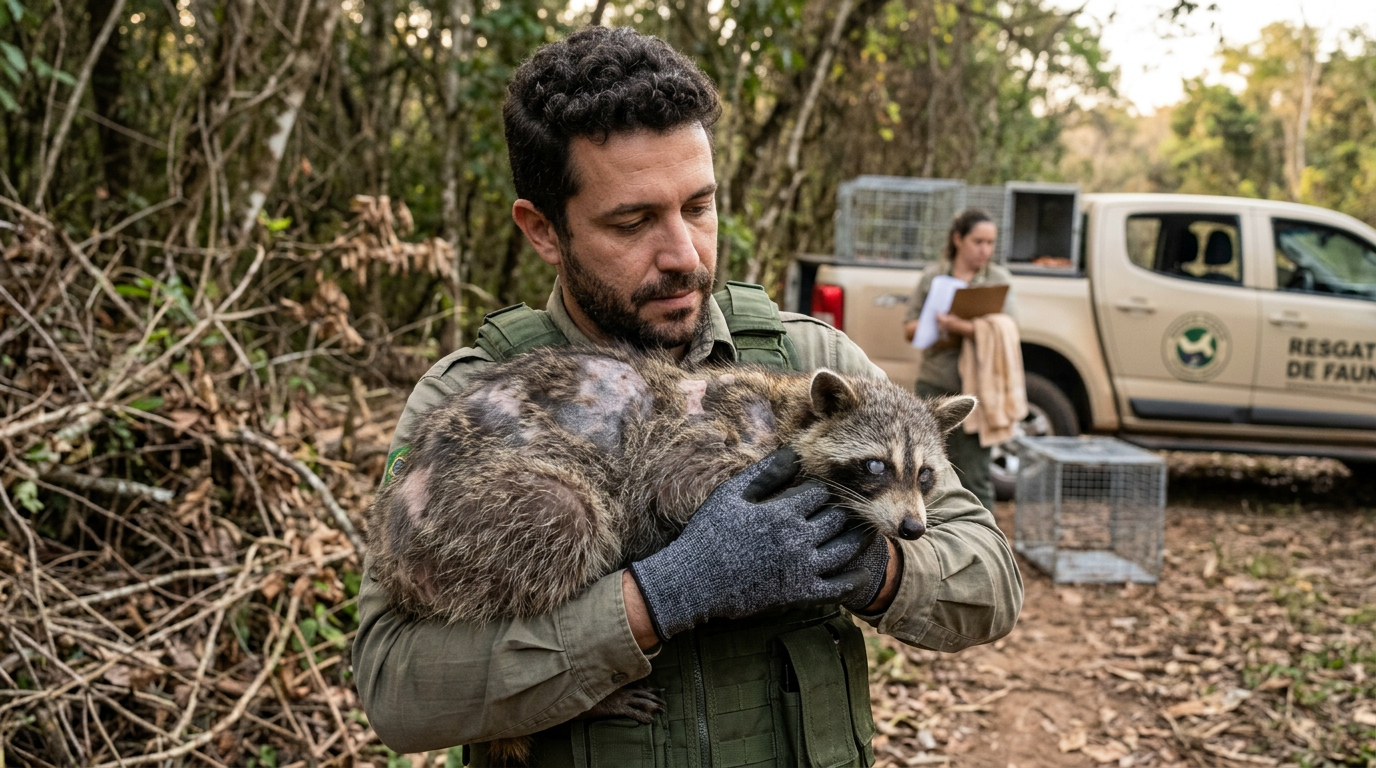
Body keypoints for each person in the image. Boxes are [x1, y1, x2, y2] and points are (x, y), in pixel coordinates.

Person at [354, 28, 1023, 766]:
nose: (684, 256)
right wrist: (660, 596)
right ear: (544, 231)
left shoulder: (817, 362)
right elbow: (395, 691)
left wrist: (867, 567)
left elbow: (989, 583)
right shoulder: (471, 393)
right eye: (633, 221)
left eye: (698, 207)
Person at [903, 209, 1019, 511]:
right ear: (958, 239)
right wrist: (935, 325)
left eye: (990, 243)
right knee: (925, 472)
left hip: (977, 392)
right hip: (934, 385)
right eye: (978, 241)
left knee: (975, 476)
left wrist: (962, 327)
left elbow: (1009, 327)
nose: (985, 250)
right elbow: (909, 328)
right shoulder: (934, 276)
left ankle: (985, 544)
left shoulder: (997, 279)